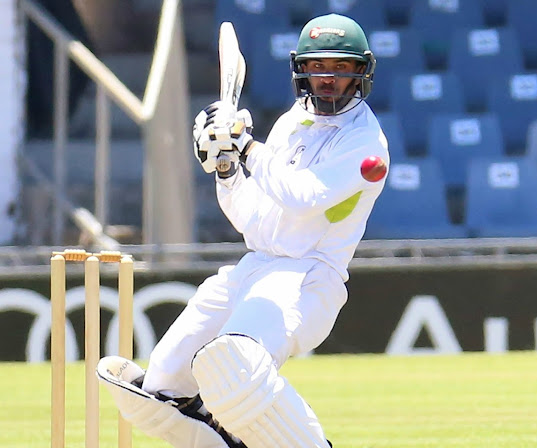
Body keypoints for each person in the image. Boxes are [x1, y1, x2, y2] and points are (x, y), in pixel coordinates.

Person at [97, 13, 388, 448]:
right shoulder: (295, 121)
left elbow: (301, 195)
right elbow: (253, 218)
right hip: (254, 267)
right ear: (301, 70)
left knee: (236, 365)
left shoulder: (365, 143)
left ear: (361, 71)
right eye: (317, 67)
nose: (327, 78)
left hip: (306, 278)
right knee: (163, 384)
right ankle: (220, 436)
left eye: (340, 68)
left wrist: (247, 144)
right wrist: (227, 167)